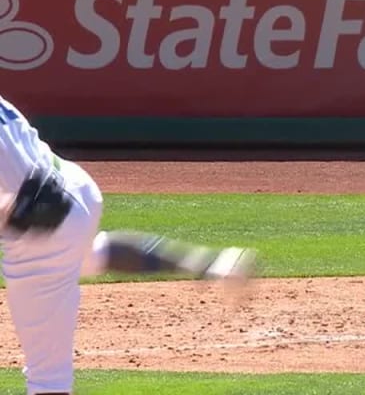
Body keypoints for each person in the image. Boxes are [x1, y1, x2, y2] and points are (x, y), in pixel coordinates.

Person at [0, 94, 257, 395]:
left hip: (42, 230)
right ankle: (210, 264)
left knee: (47, 380)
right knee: (91, 253)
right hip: (72, 186)